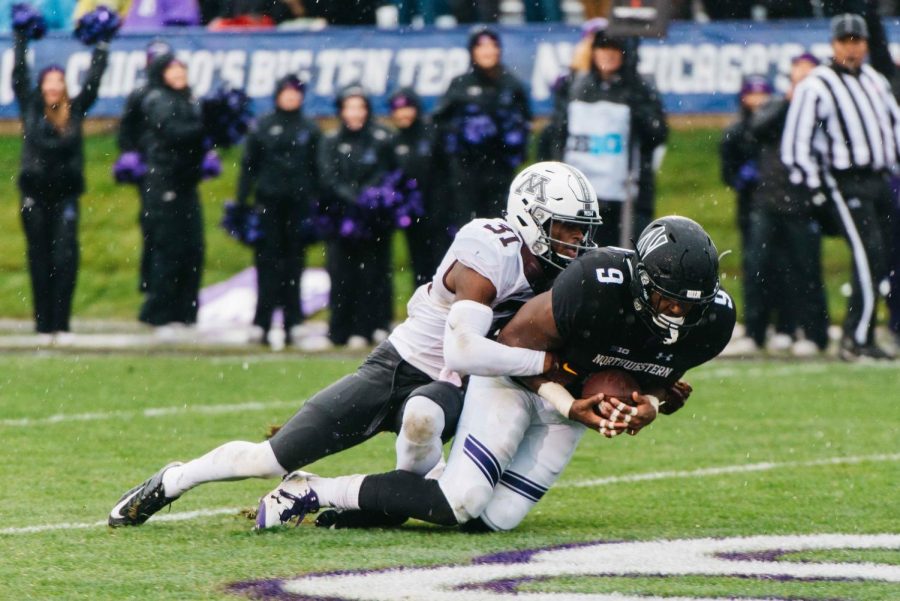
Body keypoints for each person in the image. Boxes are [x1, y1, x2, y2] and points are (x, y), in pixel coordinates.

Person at [108, 161, 603, 528]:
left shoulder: (562, 277)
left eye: (582, 230)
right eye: (565, 227)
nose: (575, 241)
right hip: (398, 365)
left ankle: (377, 506)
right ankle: (174, 480)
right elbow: (462, 349)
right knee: (268, 460)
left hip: (452, 387)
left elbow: (464, 367)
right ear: (528, 216)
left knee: (425, 416)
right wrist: (545, 361)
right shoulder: (490, 249)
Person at [255, 216, 736, 532]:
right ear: (642, 281)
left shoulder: (713, 322)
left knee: (492, 521)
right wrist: (568, 400)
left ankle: (388, 499)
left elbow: (655, 375)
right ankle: (314, 489)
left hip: (571, 408)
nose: (678, 312)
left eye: (691, 303)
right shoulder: (593, 285)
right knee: (460, 500)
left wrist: (647, 404)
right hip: (515, 383)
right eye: (669, 298)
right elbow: (508, 347)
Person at [782, 13, 900, 361]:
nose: (852, 47)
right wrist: (815, 187)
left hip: (879, 179)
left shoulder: (874, 79)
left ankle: (861, 332)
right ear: (833, 44)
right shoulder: (817, 84)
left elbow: (894, 124)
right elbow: (796, 144)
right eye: (845, 40)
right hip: (844, 181)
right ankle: (856, 339)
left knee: (883, 258)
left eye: (857, 40)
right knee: (869, 256)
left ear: (865, 43)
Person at [12, 19, 110, 338]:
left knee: (65, 256)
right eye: (48, 81)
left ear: (65, 86)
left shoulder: (76, 110)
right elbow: (18, 76)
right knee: (39, 258)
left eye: (59, 81)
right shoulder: (29, 107)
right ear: (41, 86)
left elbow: (94, 82)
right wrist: (21, 41)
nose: (53, 87)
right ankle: (42, 324)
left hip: (65, 195)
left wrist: (102, 46)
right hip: (34, 196)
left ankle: (62, 324)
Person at [744, 55, 830, 357]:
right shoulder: (778, 106)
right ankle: (756, 331)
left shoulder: (823, 108)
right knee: (759, 266)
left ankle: (814, 333)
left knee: (806, 270)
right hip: (768, 201)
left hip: (802, 202)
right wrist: (790, 102)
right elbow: (757, 125)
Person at [550, 30, 667, 248]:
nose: (608, 55)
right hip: (583, 195)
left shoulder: (639, 89)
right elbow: (558, 135)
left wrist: (637, 106)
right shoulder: (578, 87)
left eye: (614, 49)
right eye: (603, 48)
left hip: (627, 195)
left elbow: (657, 134)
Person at [236, 74, 320, 347]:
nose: (291, 97)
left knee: (294, 264)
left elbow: (318, 170)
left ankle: (294, 322)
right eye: (286, 91)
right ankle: (261, 323)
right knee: (267, 264)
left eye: (296, 92)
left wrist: (319, 205)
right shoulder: (263, 126)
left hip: (298, 207)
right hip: (268, 206)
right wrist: (241, 201)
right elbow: (249, 166)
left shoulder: (309, 128)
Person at [317, 84, 396, 349]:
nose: (355, 113)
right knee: (341, 274)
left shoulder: (381, 138)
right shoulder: (330, 140)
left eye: (360, 107)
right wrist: (349, 198)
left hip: (373, 219)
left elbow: (386, 172)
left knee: (372, 274)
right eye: (349, 107)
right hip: (339, 220)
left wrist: (367, 198)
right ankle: (339, 329)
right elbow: (327, 176)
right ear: (341, 110)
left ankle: (369, 326)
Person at [721, 75, 795, 354]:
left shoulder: (775, 127)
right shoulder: (737, 131)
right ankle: (756, 328)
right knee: (755, 269)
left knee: (783, 266)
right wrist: (741, 178)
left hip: (779, 204)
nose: (758, 101)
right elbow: (727, 170)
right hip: (751, 207)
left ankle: (785, 326)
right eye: (752, 94)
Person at [435, 27, 531, 228]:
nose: (488, 51)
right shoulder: (460, 84)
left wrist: (510, 143)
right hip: (466, 170)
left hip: (500, 170)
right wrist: (463, 133)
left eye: (492, 46)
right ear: (472, 51)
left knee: (499, 226)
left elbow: (524, 124)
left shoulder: (512, 85)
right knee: (467, 226)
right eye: (481, 46)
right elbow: (440, 123)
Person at [138, 52, 207, 330]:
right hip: (164, 183)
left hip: (186, 184)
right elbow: (173, 132)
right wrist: (207, 127)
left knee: (194, 248)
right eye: (172, 70)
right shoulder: (157, 99)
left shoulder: (190, 99)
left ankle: (186, 313)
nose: (179, 75)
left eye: (182, 70)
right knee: (168, 248)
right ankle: (160, 314)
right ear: (161, 73)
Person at [117, 39, 173, 295]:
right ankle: (150, 279)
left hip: (173, 169)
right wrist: (133, 158)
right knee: (153, 224)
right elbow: (126, 132)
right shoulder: (140, 95)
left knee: (175, 227)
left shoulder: (177, 95)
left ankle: (168, 280)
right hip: (149, 169)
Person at [387, 87, 448, 287]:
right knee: (419, 267)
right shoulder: (393, 142)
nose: (403, 113)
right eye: (397, 109)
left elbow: (449, 171)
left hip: (440, 214)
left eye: (407, 107)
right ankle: (422, 313)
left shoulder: (433, 134)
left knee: (444, 267)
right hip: (412, 218)